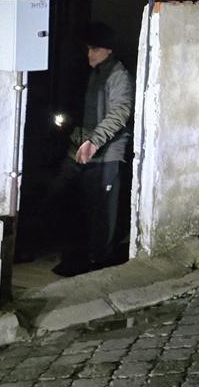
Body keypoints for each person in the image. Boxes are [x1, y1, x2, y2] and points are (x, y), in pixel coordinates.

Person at [46, 21, 135, 276]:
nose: (89, 54)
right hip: (87, 152)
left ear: (108, 49)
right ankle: (87, 258)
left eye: (95, 49)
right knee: (86, 207)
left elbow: (120, 112)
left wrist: (95, 141)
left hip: (107, 155)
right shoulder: (97, 74)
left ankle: (99, 263)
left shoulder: (117, 76)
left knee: (103, 213)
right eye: (88, 49)